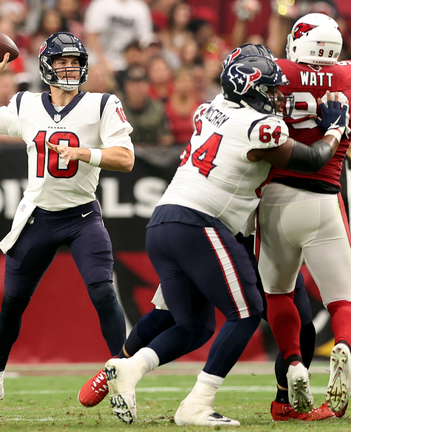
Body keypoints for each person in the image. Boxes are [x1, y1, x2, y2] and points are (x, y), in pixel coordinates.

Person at [97, 53, 347, 426]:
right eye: (268, 89)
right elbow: (313, 159)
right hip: (199, 222)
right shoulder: (259, 127)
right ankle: (196, 405)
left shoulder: (209, 108)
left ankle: (128, 369)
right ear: (249, 91)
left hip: (164, 221)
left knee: (194, 326)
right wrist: (334, 129)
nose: (276, 96)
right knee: (246, 311)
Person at [0, 31, 135, 414]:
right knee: (12, 303)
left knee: (104, 293)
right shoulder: (25, 105)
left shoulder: (103, 104)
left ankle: (121, 377)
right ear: (46, 66)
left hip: (83, 215)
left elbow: (125, 158)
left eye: (75, 61)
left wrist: (82, 152)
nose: (69, 68)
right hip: (38, 216)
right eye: (61, 61)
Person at [257, 12, 352, 417]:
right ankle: (344, 347)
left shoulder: (274, 71)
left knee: (279, 293)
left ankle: (294, 362)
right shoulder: (350, 76)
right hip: (326, 198)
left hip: (276, 197)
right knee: (344, 301)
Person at [119, 65, 172, 146]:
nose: (137, 89)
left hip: (152, 155)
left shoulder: (158, 109)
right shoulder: (116, 108)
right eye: (133, 84)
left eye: (141, 84)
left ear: (148, 86)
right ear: (126, 87)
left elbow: (166, 138)